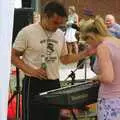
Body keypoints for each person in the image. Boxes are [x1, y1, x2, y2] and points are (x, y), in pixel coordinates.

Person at [11, 1, 92, 120]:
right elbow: (13, 56)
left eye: (60, 24)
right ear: (45, 16)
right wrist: (32, 71)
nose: (57, 26)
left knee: (53, 117)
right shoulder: (27, 32)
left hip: (54, 83)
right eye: (54, 22)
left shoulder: (59, 34)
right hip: (33, 83)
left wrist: (84, 53)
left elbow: (64, 59)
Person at [80, 16, 120, 120]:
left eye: (88, 42)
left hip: (110, 100)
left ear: (92, 36)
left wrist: (96, 77)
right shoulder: (117, 41)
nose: (88, 45)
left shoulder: (103, 47)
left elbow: (107, 77)